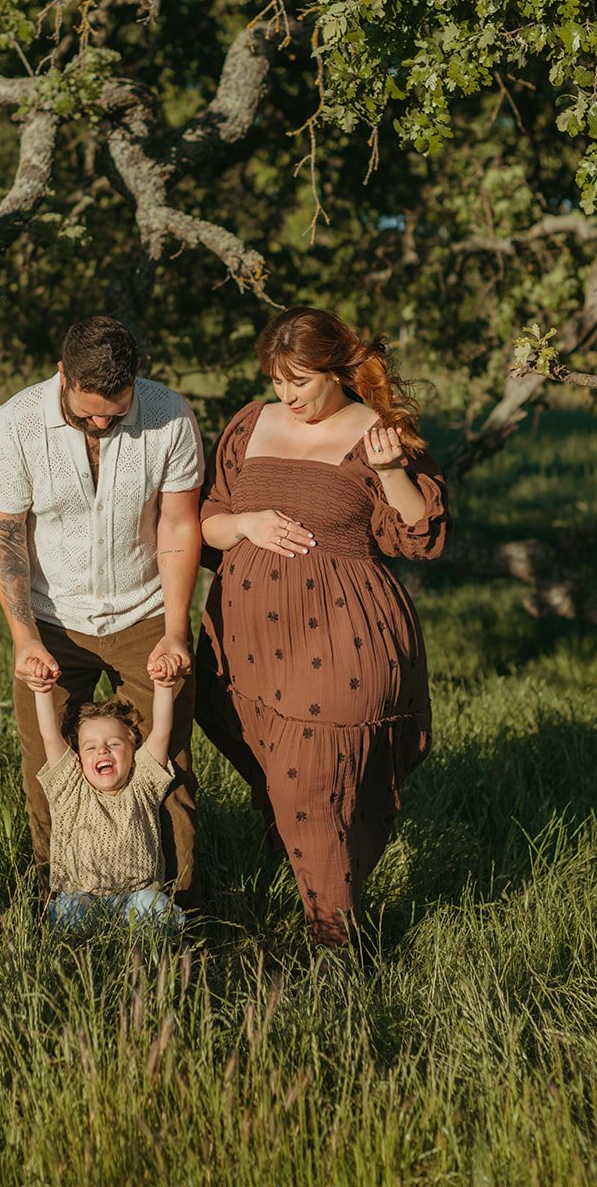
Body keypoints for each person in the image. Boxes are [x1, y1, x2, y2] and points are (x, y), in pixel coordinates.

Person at [195, 306, 450, 948]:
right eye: (278, 380)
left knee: (319, 772)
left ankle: (332, 941)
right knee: (294, 781)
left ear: (336, 371)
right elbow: (207, 522)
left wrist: (392, 473)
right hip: (250, 644)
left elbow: (418, 538)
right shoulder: (250, 423)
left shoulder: (377, 434)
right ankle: (324, 886)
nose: (288, 395)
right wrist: (246, 525)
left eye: (300, 381)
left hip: (345, 636)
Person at [0, 315, 203, 903]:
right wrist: (25, 639)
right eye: (90, 407)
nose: (104, 419)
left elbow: (179, 523)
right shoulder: (17, 424)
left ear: (136, 380)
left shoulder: (170, 416)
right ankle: (57, 899)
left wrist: (176, 631)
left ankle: (177, 905)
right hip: (53, 621)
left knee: (167, 769)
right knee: (48, 774)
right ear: (63, 375)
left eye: (117, 406)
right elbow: (4, 534)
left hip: (146, 610)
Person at [21, 648, 189, 931]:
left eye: (113, 744)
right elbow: (49, 733)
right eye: (91, 747)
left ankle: (148, 958)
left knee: (158, 908)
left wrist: (164, 686)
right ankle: (82, 958)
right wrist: (42, 690)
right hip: (83, 897)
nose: (102, 750)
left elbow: (161, 731)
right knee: (70, 914)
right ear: (78, 756)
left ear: (132, 750)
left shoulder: (143, 784)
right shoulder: (70, 787)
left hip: (137, 897)